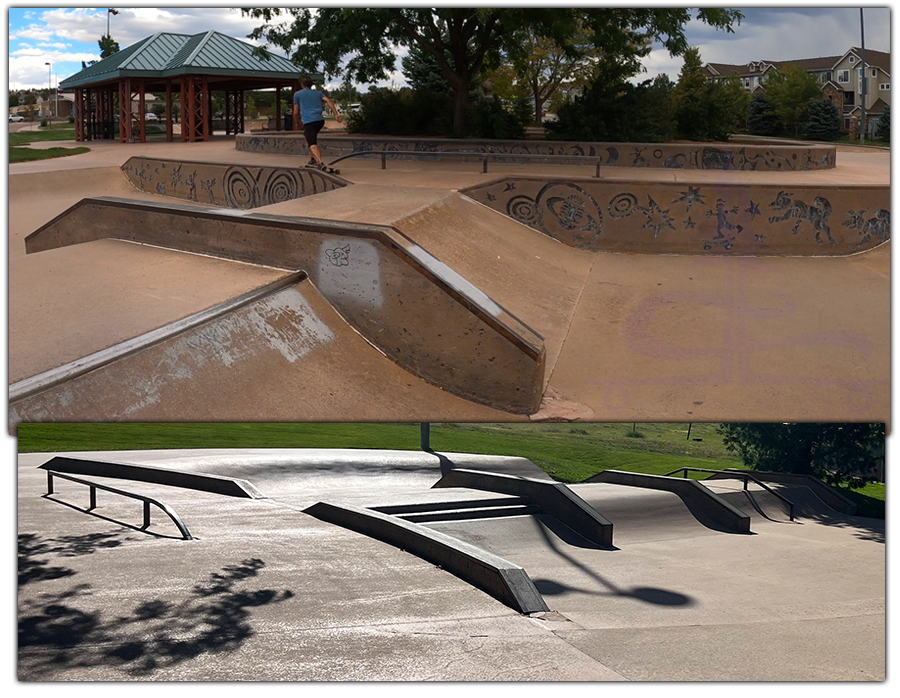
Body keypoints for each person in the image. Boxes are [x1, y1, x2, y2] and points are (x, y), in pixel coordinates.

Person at [293, 76, 343, 170]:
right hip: (320, 121)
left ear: (302, 85)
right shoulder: (319, 93)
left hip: (309, 122)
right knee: (308, 136)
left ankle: (320, 163)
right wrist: (336, 114)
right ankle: (313, 159)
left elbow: (296, 112)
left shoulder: (297, 94)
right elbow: (328, 100)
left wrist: (297, 122)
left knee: (312, 143)